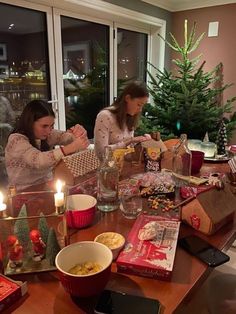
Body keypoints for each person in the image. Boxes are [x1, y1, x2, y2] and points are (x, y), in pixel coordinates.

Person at [5, 99, 89, 191]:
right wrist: (72, 147)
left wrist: (77, 133)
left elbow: (65, 137)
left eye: (51, 126)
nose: (49, 131)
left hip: (45, 188)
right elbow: (38, 160)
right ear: (30, 123)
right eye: (44, 126)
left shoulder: (46, 135)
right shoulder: (16, 140)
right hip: (22, 193)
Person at [94, 82, 151, 160]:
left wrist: (142, 143)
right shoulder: (105, 116)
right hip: (108, 169)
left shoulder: (130, 117)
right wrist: (129, 141)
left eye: (142, 106)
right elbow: (101, 154)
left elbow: (127, 153)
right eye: (139, 104)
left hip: (125, 167)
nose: (140, 110)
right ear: (127, 98)